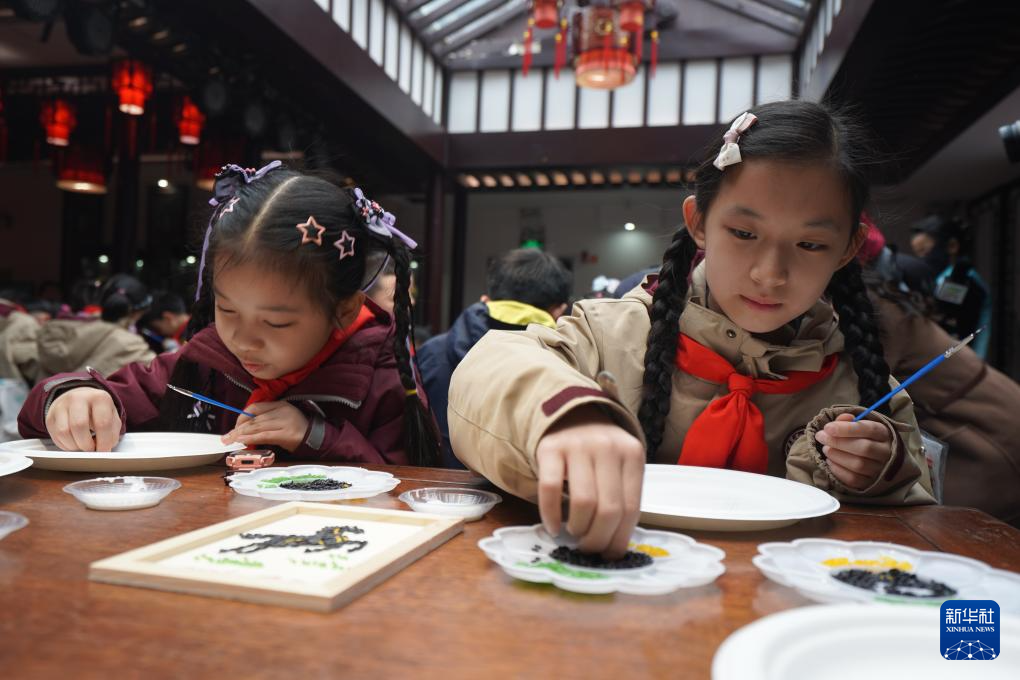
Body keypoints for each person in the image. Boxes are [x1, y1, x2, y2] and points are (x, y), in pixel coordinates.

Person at [448, 100, 934, 558]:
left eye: (809, 244)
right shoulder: (610, 334)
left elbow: (920, 525)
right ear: (698, 222)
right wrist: (564, 415)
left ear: (848, 249)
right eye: (744, 233)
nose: (770, 273)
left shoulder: (868, 389)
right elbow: (488, 369)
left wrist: (881, 473)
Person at [19, 162, 439, 465]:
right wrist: (70, 398)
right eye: (227, 309)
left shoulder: (382, 380)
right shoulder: (206, 363)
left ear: (343, 310)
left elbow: (409, 489)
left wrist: (314, 435)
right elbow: (110, 394)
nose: (242, 339)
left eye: (276, 322)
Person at [863, 242, 1020, 527]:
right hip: (984, 414)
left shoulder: (873, 312)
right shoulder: (883, 300)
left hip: (981, 431)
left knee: (960, 534)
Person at [418, 248, 572, 468]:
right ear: (559, 311)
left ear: (486, 299)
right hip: (528, 488)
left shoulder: (433, 352)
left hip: (433, 484)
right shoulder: (567, 361)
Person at [36, 273, 155, 378]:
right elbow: (159, 377)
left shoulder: (57, 328)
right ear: (136, 313)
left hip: (46, 396)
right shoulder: (130, 345)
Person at [910, 215, 991, 358]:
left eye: (925, 252)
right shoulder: (942, 277)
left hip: (967, 359)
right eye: (918, 254)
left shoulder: (962, 277)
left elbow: (942, 312)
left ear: (952, 246)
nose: (921, 260)